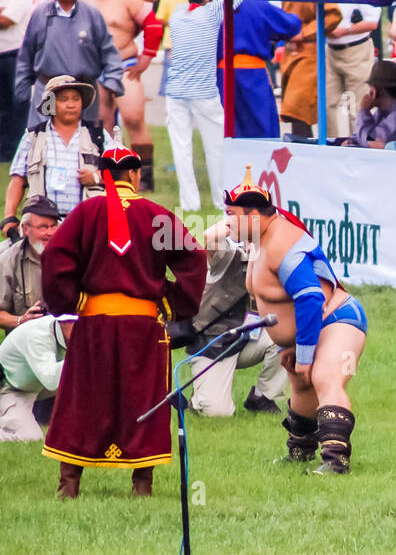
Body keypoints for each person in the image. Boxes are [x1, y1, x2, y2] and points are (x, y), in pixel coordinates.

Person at [40, 145, 206, 498]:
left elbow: (55, 257)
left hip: (93, 324)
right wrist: (169, 301)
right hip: (143, 327)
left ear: (103, 176)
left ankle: (68, 485)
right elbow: (194, 256)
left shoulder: (85, 212)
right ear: (134, 175)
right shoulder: (157, 215)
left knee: (83, 399)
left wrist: (74, 301)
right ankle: (141, 486)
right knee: (142, 400)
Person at [224, 167, 367, 474]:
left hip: (337, 319)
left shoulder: (281, 243)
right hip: (311, 326)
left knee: (325, 377)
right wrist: (289, 342)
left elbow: (310, 297)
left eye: (231, 214)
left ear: (253, 216)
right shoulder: (258, 239)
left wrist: (304, 349)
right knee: (302, 386)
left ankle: (336, 461)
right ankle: (299, 452)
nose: (226, 222)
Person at [180, 219, 286, 417]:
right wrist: (237, 218)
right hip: (212, 345)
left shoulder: (270, 260)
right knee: (218, 414)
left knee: (289, 336)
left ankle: (263, 397)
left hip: (245, 339)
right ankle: (198, 400)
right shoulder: (228, 256)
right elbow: (210, 237)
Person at [82, 0, 163, 189]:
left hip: (125, 65)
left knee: (134, 119)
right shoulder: (84, 4)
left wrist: (147, 57)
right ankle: (107, 174)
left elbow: (153, 25)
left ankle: (145, 177)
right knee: (100, 124)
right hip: (96, 68)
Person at [15, 0, 123, 129]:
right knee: (42, 141)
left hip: (84, 91)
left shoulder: (91, 13)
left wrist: (113, 81)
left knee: (87, 144)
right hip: (48, 89)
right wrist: (22, 87)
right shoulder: (40, 13)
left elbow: (108, 51)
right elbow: (27, 53)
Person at [4, 77, 106, 224]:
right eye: (64, 99)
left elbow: (121, 173)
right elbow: (18, 180)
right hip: (44, 224)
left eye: (75, 99)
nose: (71, 104)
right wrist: (9, 217)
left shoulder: (97, 135)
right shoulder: (33, 137)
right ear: (51, 104)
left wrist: (96, 178)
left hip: (88, 221)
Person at [165, 0, 223, 211]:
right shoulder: (213, 11)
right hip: (204, 92)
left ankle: (190, 204)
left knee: (181, 148)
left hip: (175, 90)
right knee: (215, 147)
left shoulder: (177, 13)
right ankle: (220, 200)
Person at [217, 0, 302, 140]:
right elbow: (292, 25)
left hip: (222, 75)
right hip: (252, 74)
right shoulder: (257, 5)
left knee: (226, 128)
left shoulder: (217, 6)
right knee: (262, 129)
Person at [0, 312, 71, 442]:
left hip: (36, 386)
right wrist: (80, 353)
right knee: (31, 438)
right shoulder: (37, 335)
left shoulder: (62, 329)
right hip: (10, 389)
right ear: (62, 321)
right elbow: (51, 381)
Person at [280, 1, 342, 138]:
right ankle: (304, 152)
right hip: (290, 54)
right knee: (295, 114)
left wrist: (303, 33)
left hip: (308, 56)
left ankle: (304, 153)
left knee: (297, 109)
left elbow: (333, 15)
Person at [0, 196, 61, 331]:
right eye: (43, 227)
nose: (50, 233)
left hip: (66, 340)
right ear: (25, 228)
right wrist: (21, 320)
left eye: (53, 226)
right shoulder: (7, 261)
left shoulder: (73, 255)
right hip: (25, 342)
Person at [325, 2, 381, 138]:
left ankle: (358, 146)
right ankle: (330, 145)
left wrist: (345, 30)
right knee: (327, 104)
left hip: (357, 49)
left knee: (357, 106)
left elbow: (373, 22)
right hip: (331, 50)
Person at [0, 0, 35, 159]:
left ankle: (18, 149)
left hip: (16, 56)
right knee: (2, 106)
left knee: (18, 104)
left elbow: (6, 21)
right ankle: (4, 150)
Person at [353, 59, 396, 148]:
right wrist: (353, 140)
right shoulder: (385, 110)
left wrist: (364, 111)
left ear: (375, 90)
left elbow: (371, 140)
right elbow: (364, 137)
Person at [155, 0, 191, 93]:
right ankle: (170, 97)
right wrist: (175, 23)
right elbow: (160, 18)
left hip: (188, 42)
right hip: (171, 42)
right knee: (170, 73)